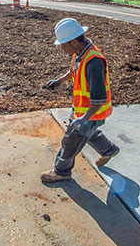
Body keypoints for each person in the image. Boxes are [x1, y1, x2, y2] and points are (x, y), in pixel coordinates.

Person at [40, 18, 120, 183]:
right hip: (83, 110)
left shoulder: (94, 63)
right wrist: (60, 81)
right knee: (90, 134)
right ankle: (109, 150)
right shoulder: (81, 53)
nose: (62, 48)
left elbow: (99, 100)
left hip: (90, 112)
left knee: (70, 142)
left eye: (64, 45)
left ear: (75, 41)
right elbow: (74, 71)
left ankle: (61, 172)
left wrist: (84, 119)